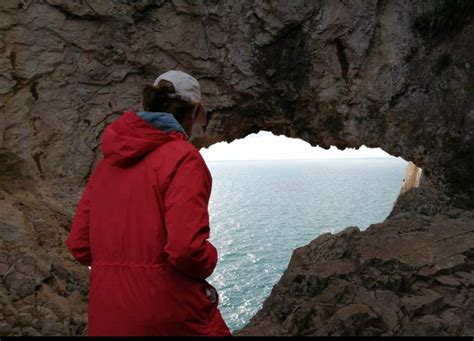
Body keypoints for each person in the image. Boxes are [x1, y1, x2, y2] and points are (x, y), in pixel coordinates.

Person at [66, 70, 232, 336]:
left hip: (107, 317)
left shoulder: (107, 165)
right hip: (169, 315)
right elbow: (186, 249)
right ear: (193, 113)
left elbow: (79, 246)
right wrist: (210, 257)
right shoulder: (183, 158)